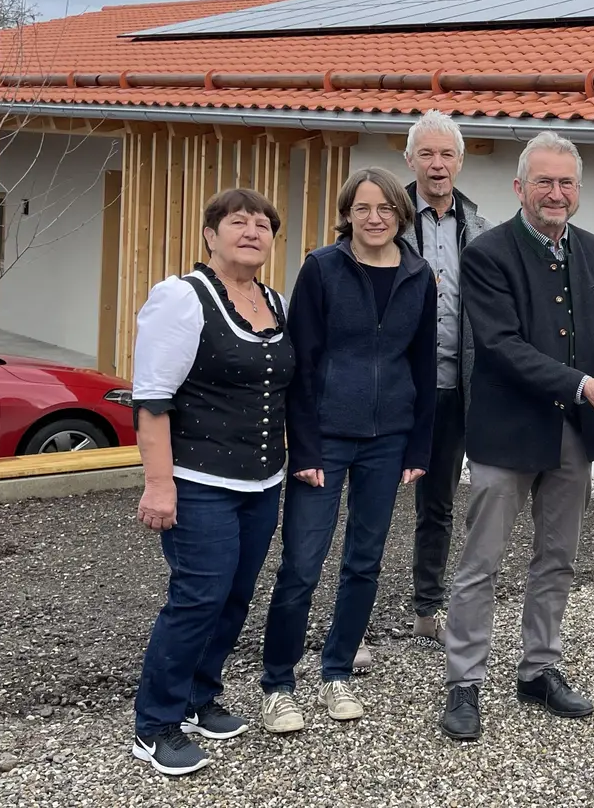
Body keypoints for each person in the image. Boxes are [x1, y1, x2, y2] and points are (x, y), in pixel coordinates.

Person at [437, 132, 594, 742]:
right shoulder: (489, 253)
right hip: (507, 432)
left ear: (578, 190)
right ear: (519, 187)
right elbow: (500, 348)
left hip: (572, 433)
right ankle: (464, 681)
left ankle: (538, 668)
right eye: (544, 182)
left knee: (558, 558)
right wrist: (583, 384)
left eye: (567, 183)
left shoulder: (593, 249)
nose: (556, 193)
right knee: (482, 562)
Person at [257, 168, 438, 732]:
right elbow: (301, 363)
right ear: (348, 214)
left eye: (385, 208)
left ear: (399, 215)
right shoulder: (321, 269)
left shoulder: (419, 274)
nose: (375, 218)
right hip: (326, 439)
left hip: (389, 441)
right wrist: (305, 446)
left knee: (365, 560)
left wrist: (419, 445)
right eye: (363, 208)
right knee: (302, 564)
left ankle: (336, 671)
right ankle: (278, 683)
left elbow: (424, 364)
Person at [128, 189, 294, 776]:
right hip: (197, 479)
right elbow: (152, 400)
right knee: (197, 597)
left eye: (262, 224)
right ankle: (155, 724)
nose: (251, 231)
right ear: (209, 235)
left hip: (262, 480)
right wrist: (158, 484)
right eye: (236, 222)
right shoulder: (182, 298)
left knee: (233, 597)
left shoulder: (272, 299)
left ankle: (199, 697)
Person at [402, 109, 489, 649]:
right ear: (409, 159)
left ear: (460, 160)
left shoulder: (477, 226)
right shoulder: (387, 217)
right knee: (362, 501)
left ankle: (427, 607)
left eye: (447, 154)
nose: (438, 165)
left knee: (438, 502)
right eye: (427, 154)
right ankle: (350, 616)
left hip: (456, 386)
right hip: (397, 387)